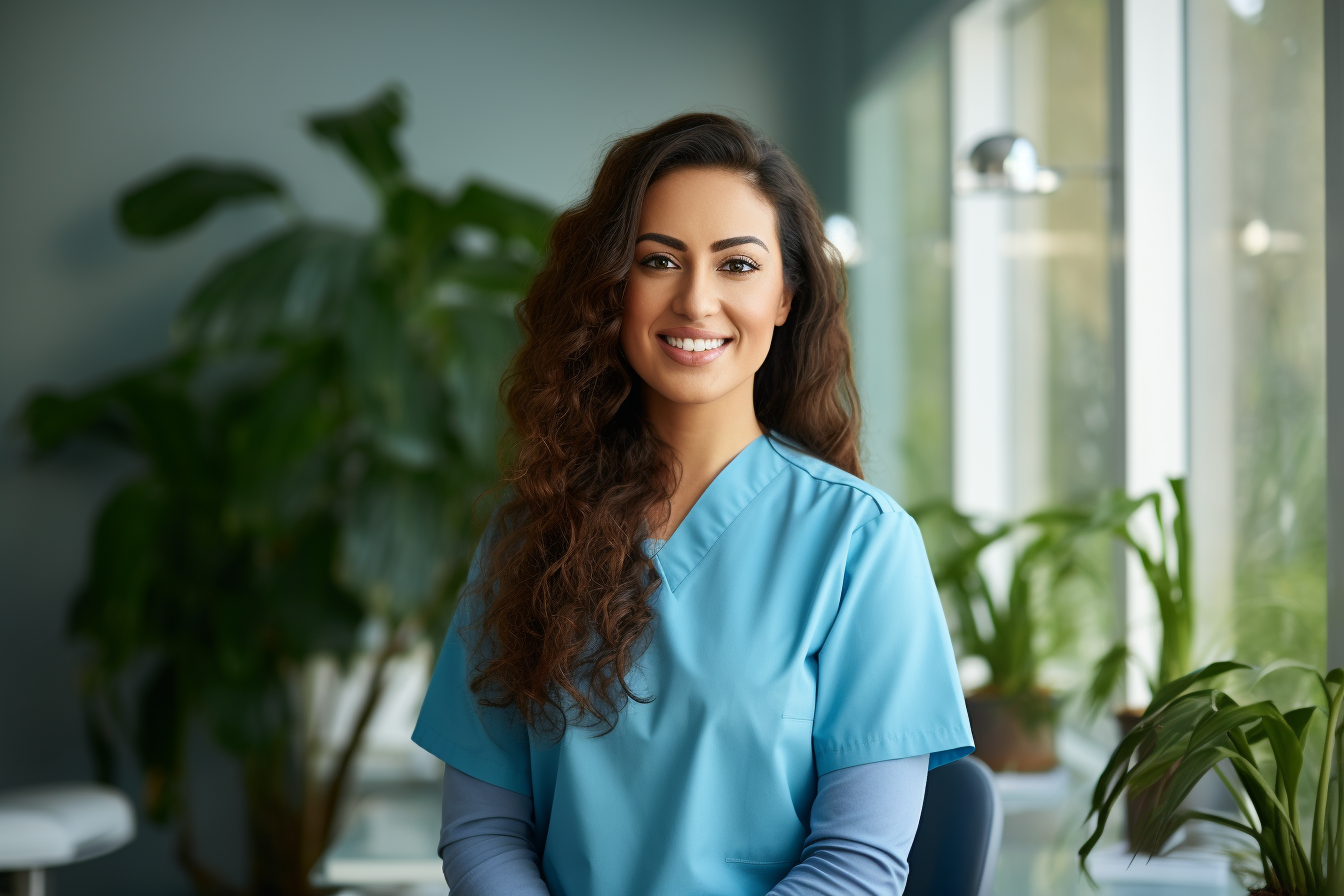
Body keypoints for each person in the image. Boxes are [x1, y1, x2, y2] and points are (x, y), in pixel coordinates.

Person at [412, 113, 973, 896]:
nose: (696, 300)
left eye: (737, 265)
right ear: (612, 290)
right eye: (658, 260)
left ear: (786, 295)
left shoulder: (862, 545)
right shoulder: (528, 535)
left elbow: (857, 864)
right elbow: (484, 832)